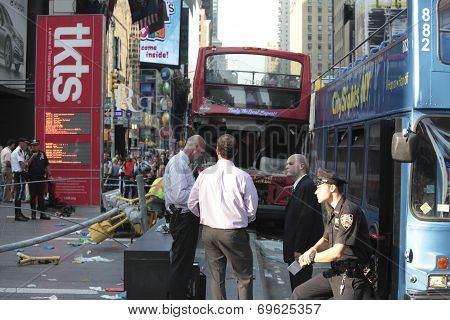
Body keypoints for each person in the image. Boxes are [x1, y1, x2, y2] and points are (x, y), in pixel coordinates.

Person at [188, 134, 258, 300]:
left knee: (216, 277)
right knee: (244, 277)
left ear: (217, 150)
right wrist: (244, 219)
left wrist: (204, 216)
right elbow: (252, 209)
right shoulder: (243, 176)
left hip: (209, 231)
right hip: (234, 232)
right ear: (236, 152)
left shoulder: (204, 174)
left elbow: (191, 203)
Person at [291, 168, 373, 300]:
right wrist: (312, 250)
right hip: (336, 272)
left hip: (350, 278)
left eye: (319, 187)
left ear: (332, 188)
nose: (316, 191)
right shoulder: (334, 211)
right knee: (299, 295)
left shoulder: (348, 212)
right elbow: (325, 239)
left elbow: (337, 252)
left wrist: (312, 258)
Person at [164, 135, 206, 299]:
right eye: (200, 152)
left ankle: (179, 297)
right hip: (183, 218)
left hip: (185, 218)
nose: (200, 156)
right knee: (181, 264)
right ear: (195, 148)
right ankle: (177, 301)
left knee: (184, 263)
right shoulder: (178, 164)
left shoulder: (184, 164)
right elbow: (180, 196)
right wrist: (200, 192)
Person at [283, 154, 324, 291]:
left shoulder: (306, 186)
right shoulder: (300, 186)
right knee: (296, 285)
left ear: (301, 166)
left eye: (290, 163)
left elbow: (305, 220)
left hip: (300, 252)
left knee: (300, 287)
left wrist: (299, 249)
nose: (286, 166)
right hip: (297, 250)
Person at [27, 140, 51, 220]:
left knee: (41, 197)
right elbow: (26, 165)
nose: (35, 146)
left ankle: (42, 214)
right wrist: (32, 156)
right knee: (33, 197)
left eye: (36, 145)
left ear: (38, 145)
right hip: (32, 178)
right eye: (33, 145)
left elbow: (47, 164)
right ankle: (33, 214)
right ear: (31, 146)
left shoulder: (42, 154)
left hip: (41, 177)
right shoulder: (28, 153)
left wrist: (49, 175)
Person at [11, 138, 31, 221]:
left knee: (20, 193)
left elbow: (24, 164)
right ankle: (17, 215)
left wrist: (25, 164)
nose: (26, 145)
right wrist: (27, 163)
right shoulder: (18, 151)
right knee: (19, 194)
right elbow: (23, 166)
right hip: (18, 174)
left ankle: (19, 213)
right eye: (25, 143)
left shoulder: (21, 151)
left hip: (20, 174)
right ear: (21, 143)